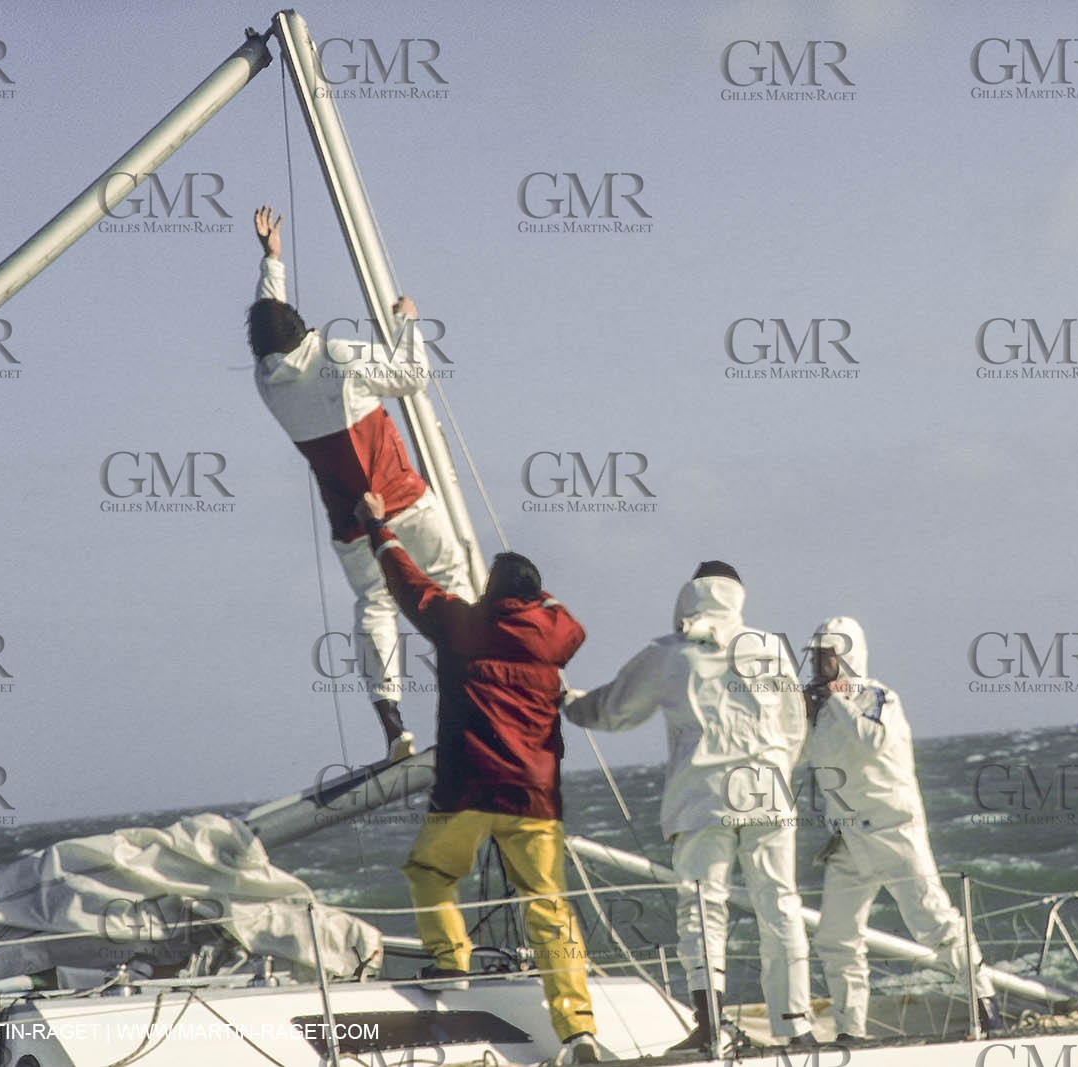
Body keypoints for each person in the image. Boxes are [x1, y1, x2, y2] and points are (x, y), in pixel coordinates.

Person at [359, 492, 599, 1064]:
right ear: (537, 598)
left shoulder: (460, 624)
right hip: (535, 797)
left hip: (466, 790)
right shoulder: (554, 636)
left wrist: (378, 528)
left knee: (430, 869)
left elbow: (407, 582)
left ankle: (452, 961)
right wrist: (537, 596)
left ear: (490, 592)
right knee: (547, 905)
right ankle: (578, 1028)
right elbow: (569, 623)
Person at [246, 205, 472, 762]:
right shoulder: (338, 355)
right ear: (304, 331)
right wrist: (407, 323)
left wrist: (271, 261)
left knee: (375, 605)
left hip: (351, 522)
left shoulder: (266, 381)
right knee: (451, 577)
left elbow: (269, 318)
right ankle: (472, 684)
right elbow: (411, 377)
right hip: (403, 500)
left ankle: (392, 720)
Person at [565, 562, 815, 1051]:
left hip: (703, 794)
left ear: (688, 596)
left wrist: (564, 701)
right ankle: (796, 1027)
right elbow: (793, 726)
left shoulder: (668, 653)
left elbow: (614, 710)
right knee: (780, 905)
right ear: (737, 597)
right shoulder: (769, 648)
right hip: (768, 788)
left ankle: (710, 1030)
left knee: (703, 909)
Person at [801, 617, 1002, 1040]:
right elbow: (799, 754)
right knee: (836, 937)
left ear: (848, 657)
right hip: (848, 839)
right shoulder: (820, 708)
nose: (820, 664)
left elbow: (871, 741)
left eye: (828, 655)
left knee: (935, 924)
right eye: (816, 655)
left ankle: (986, 1010)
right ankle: (851, 1030)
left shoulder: (878, 697)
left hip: (894, 830)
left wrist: (836, 696)